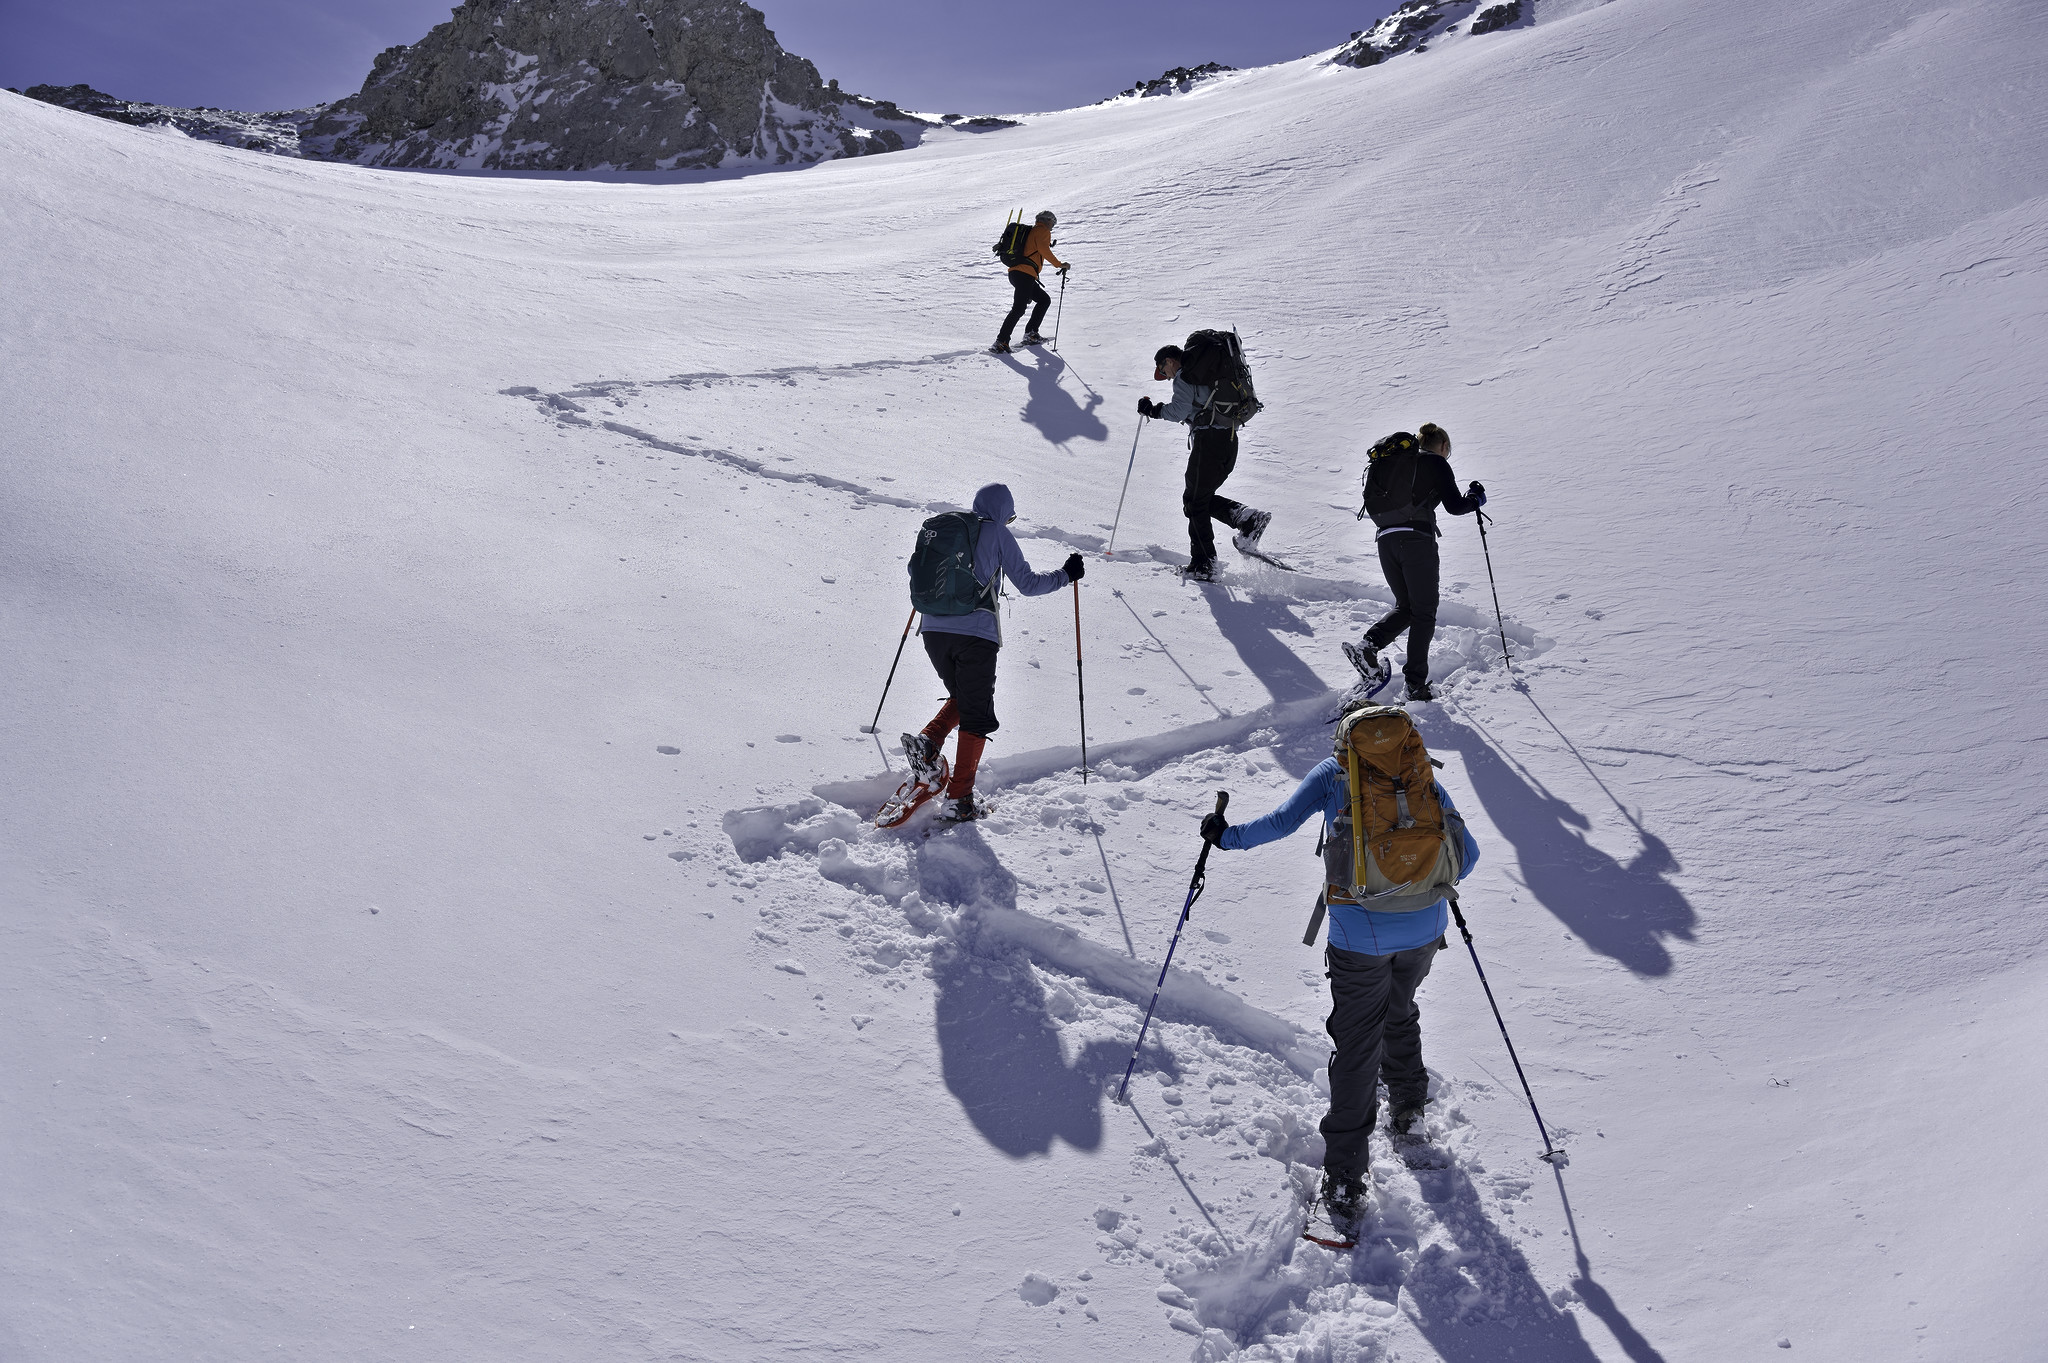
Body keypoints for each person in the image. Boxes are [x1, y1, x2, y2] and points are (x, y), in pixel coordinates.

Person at [1196, 714, 1482, 1229]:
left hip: (1359, 935)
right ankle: (1409, 1112)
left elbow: (1281, 822)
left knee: (1356, 1045)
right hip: (1425, 927)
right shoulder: (1418, 774)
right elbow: (1470, 854)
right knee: (1401, 1007)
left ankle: (1347, 1173)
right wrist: (1420, 885)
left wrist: (1225, 837)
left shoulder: (1335, 773)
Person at [903, 483, 1082, 822]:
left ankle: (928, 744)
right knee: (977, 714)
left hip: (932, 632)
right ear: (1003, 513)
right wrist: (1066, 574)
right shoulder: (997, 533)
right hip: (975, 637)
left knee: (964, 696)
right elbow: (1027, 584)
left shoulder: (951, 531)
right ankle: (960, 799)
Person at [1343, 422, 1485, 701]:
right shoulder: (1436, 463)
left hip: (1385, 540)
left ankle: (1368, 646)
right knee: (1424, 612)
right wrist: (1475, 500)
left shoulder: (1399, 464)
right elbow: (1455, 506)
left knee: (1407, 607)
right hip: (1416, 542)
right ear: (1443, 446)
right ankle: (1415, 685)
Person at [1139, 344, 1271, 581]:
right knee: (1199, 499)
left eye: (1163, 369)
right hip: (1228, 441)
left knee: (1194, 501)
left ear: (1169, 361)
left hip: (1209, 442)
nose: (1166, 375)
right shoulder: (1207, 376)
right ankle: (1248, 518)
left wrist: (1154, 410)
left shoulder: (1185, 376)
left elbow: (1179, 411)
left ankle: (1204, 564)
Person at [992, 211, 1068, 354]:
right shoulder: (1042, 230)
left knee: (1044, 300)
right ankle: (1001, 341)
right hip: (1024, 274)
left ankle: (1031, 334)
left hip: (1018, 273)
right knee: (1019, 309)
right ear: (1047, 221)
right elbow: (1044, 250)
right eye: (1053, 222)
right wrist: (1059, 264)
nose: (1053, 226)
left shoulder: (1032, 231)